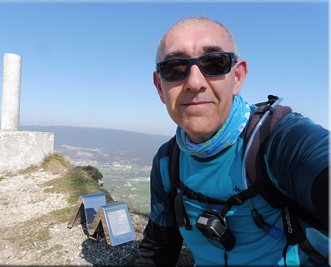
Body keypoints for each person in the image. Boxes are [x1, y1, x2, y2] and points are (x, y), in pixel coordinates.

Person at [134, 16, 329, 266]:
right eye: (175, 67)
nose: (194, 83)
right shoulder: (166, 162)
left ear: (237, 77)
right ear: (160, 87)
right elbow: (159, 245)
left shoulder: (278, 139)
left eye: (214, 63)